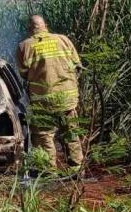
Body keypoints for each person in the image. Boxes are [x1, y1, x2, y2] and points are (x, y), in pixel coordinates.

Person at [16, 15, 84, 170]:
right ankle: (76, 168)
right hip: (68, 98)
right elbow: (77, 65)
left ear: (30, 29)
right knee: (71, 132)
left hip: (43, 100)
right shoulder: (63, 40)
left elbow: (23, 73)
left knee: (43, 135)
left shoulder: (24, 46)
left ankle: (49, 171)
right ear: (46, 25)